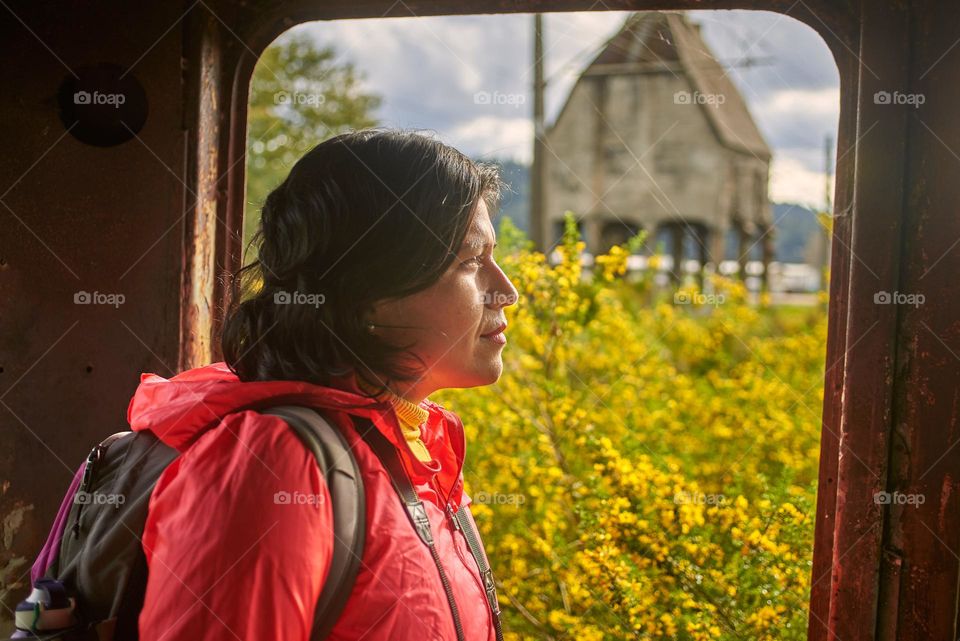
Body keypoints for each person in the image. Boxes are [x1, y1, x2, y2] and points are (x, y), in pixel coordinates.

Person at [130, 128, 519, 640]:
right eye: (471, 262)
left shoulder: (417, 448)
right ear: (367, 291)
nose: (506, 291)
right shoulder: (275, 466)